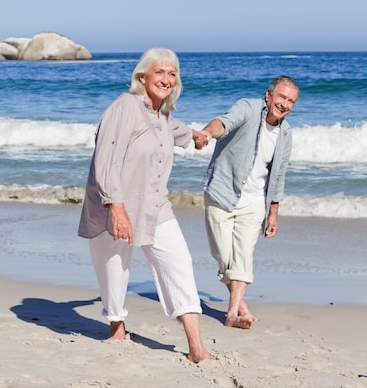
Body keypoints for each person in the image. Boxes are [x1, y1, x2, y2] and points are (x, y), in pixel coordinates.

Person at [78, 48, 211, 363]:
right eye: (159, 72)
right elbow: (105, 161)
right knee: (114, 271)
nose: (166, 79)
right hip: (115, 203)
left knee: (179, 263)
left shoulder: (161, 115)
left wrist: (197, 135)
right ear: (142, 76)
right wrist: (116, 207)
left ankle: (196, 347)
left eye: (172, 73)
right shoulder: (124, 107)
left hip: (154, 204)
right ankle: (116, 328)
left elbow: (177, 130)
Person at [200, 75, 299, 329]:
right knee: (222, 255)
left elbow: (278, 175)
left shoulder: (285, 134)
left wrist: (273, 212)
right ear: (269, 95)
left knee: (243, 255)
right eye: (281, 97)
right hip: (222, 191)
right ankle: (241, 304)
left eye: (291, 101)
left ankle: (232, 314)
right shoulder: (247, 108)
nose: (285, 104)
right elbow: (223, 123)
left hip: (254, 201)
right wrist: (207, 133)